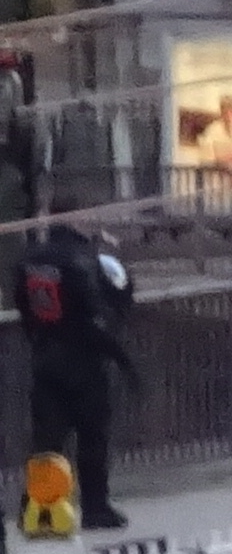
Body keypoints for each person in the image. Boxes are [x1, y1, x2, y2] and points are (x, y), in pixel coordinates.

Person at [15, 222, 138, 530]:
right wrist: (122, 359)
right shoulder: (83, 260)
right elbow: (95, 317)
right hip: (84, 364)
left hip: (45, 359)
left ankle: (39, 511)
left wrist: (38, 337)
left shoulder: (30, 259)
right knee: (92, 438)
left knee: (47, 441)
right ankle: (95, 508)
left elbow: (22, 304)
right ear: (81, 225)